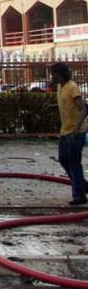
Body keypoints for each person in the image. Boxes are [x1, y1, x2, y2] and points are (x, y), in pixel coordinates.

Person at [50, 63, 87, 206]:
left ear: (59, 74)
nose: (51, 77)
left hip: (75, 132)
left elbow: (83, 109)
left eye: (53, 74)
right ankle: (82, 185)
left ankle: (79, 195)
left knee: (74, 163)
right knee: (64, 159)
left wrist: (77, 128)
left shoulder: (72, 87)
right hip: (65, 131)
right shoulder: (60, 87)